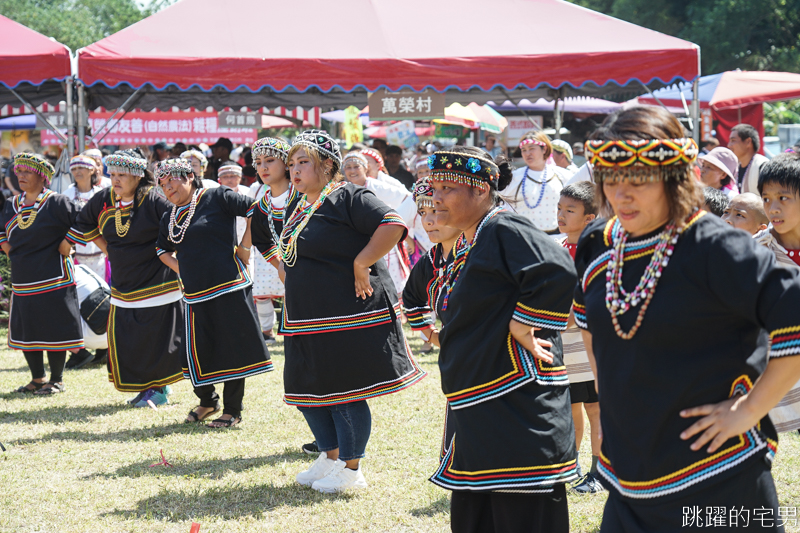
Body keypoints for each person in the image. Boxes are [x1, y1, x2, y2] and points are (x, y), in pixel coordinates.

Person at [575, 106, 800, 532]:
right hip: (630, 478)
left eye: (638, 180)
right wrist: (612, 412)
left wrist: (749, 410)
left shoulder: (715, 247)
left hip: (718, 481)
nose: (621, 195)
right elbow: (594, 331)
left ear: (674, 178)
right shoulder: (597, 245)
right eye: (611, 178)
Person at [255, 130, 425, 493]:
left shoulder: (348, 194)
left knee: (343, 391)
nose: (295, 171)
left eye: (304, 163)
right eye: (292, 164)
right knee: (305, 388)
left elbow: (393, 224)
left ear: (327, 165)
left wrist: (362, 262)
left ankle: (352, 468)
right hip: (305, 314)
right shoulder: (300, 205)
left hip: (344, 314)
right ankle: (329, 457)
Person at [427, 147, 578, 532]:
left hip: (514, 399)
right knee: (480, 507)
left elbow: (557, 269)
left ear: (480, 191)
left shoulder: (503, 228)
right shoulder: (475, 237)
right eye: (434, 187)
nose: (436, 197)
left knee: (521, 505)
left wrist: (523, 323)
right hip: (482, 397)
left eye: (447, 188)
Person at [154, 158, 272, 427]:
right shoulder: (169, 216)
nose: (167, 187)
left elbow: (256, 210)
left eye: (172, 179)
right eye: (162, 184)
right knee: (196, 351)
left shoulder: (216, 196)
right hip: (195, 293)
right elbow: (162, 250)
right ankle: (207, 401)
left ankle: (232, 410)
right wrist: (181, 268)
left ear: (189, 177)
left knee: (232, 350)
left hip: (229, 286)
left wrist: (244, 247)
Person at [68, 149, 184, 408]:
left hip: (157, 282)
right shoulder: (105, 199)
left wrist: (170, 256)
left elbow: (180, 225)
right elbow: (83, 223)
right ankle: (146, 387)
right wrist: (107, 247)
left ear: (138, 176)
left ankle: (159, 389)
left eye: (122, 175)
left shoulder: (154, 200)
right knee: (131, 337)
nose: (115, 179)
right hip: (123, 282)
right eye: (113, 174)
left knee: (156, 337)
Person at [2, 153, 84, 395]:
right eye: (19, 172)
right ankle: (37, 378)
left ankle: (56, 380)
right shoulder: (12, 205)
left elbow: (82, 223)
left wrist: (67, 244)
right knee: (29, 329)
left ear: (42, 177)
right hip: (24, 280)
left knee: (54, 328)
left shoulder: (57, 202)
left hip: (55, 278)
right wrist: (11, 253)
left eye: (27, 172)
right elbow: (1, 233)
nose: (21, 176)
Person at [555, 181, 603, 494]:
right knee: (570, 406)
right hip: (562, 340)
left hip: (590, 340)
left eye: (569, 210)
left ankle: (599, 471)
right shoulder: (557, 248)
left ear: (589, 217)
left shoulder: (598, 249)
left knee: (595, 408)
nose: (561, 215)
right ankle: (568, 467)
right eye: (560, 209)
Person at [342, 151, 412, 295]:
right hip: (359, 243)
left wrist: (394, 224)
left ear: (365, 168)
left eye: (356, 166)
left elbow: (408, 198)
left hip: (382, 242)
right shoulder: (344, 188)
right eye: (348, 167)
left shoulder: (377, 187)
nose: (352, 170)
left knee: (389, 284)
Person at [249, 136, 295, 344]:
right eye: (258, 163)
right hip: (291, 273)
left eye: (270, 160)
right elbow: (263, 242)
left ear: (286, 163)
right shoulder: (261, 206)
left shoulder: (306, 197)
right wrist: (281, 267)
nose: (263, 167)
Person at [501, 131, 570, 233]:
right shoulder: (515, 177)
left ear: (544, 149)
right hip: (524, 238)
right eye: (524, 150)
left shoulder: (562, 175)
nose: (527, 153)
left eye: (532, 148)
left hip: (556, 238)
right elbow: (504, 207)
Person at [65, 155, 108, 279]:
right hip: (77, 255)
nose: (77, 172)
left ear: (91, 170)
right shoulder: (66, 196)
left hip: (101, 255)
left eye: (81, 168)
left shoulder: (101, 194)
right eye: (74, 169)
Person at [728, 124, 769, 194]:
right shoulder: (735, 168)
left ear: (748, 142)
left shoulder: (762, 166)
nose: (729, 145)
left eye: (733, 140)